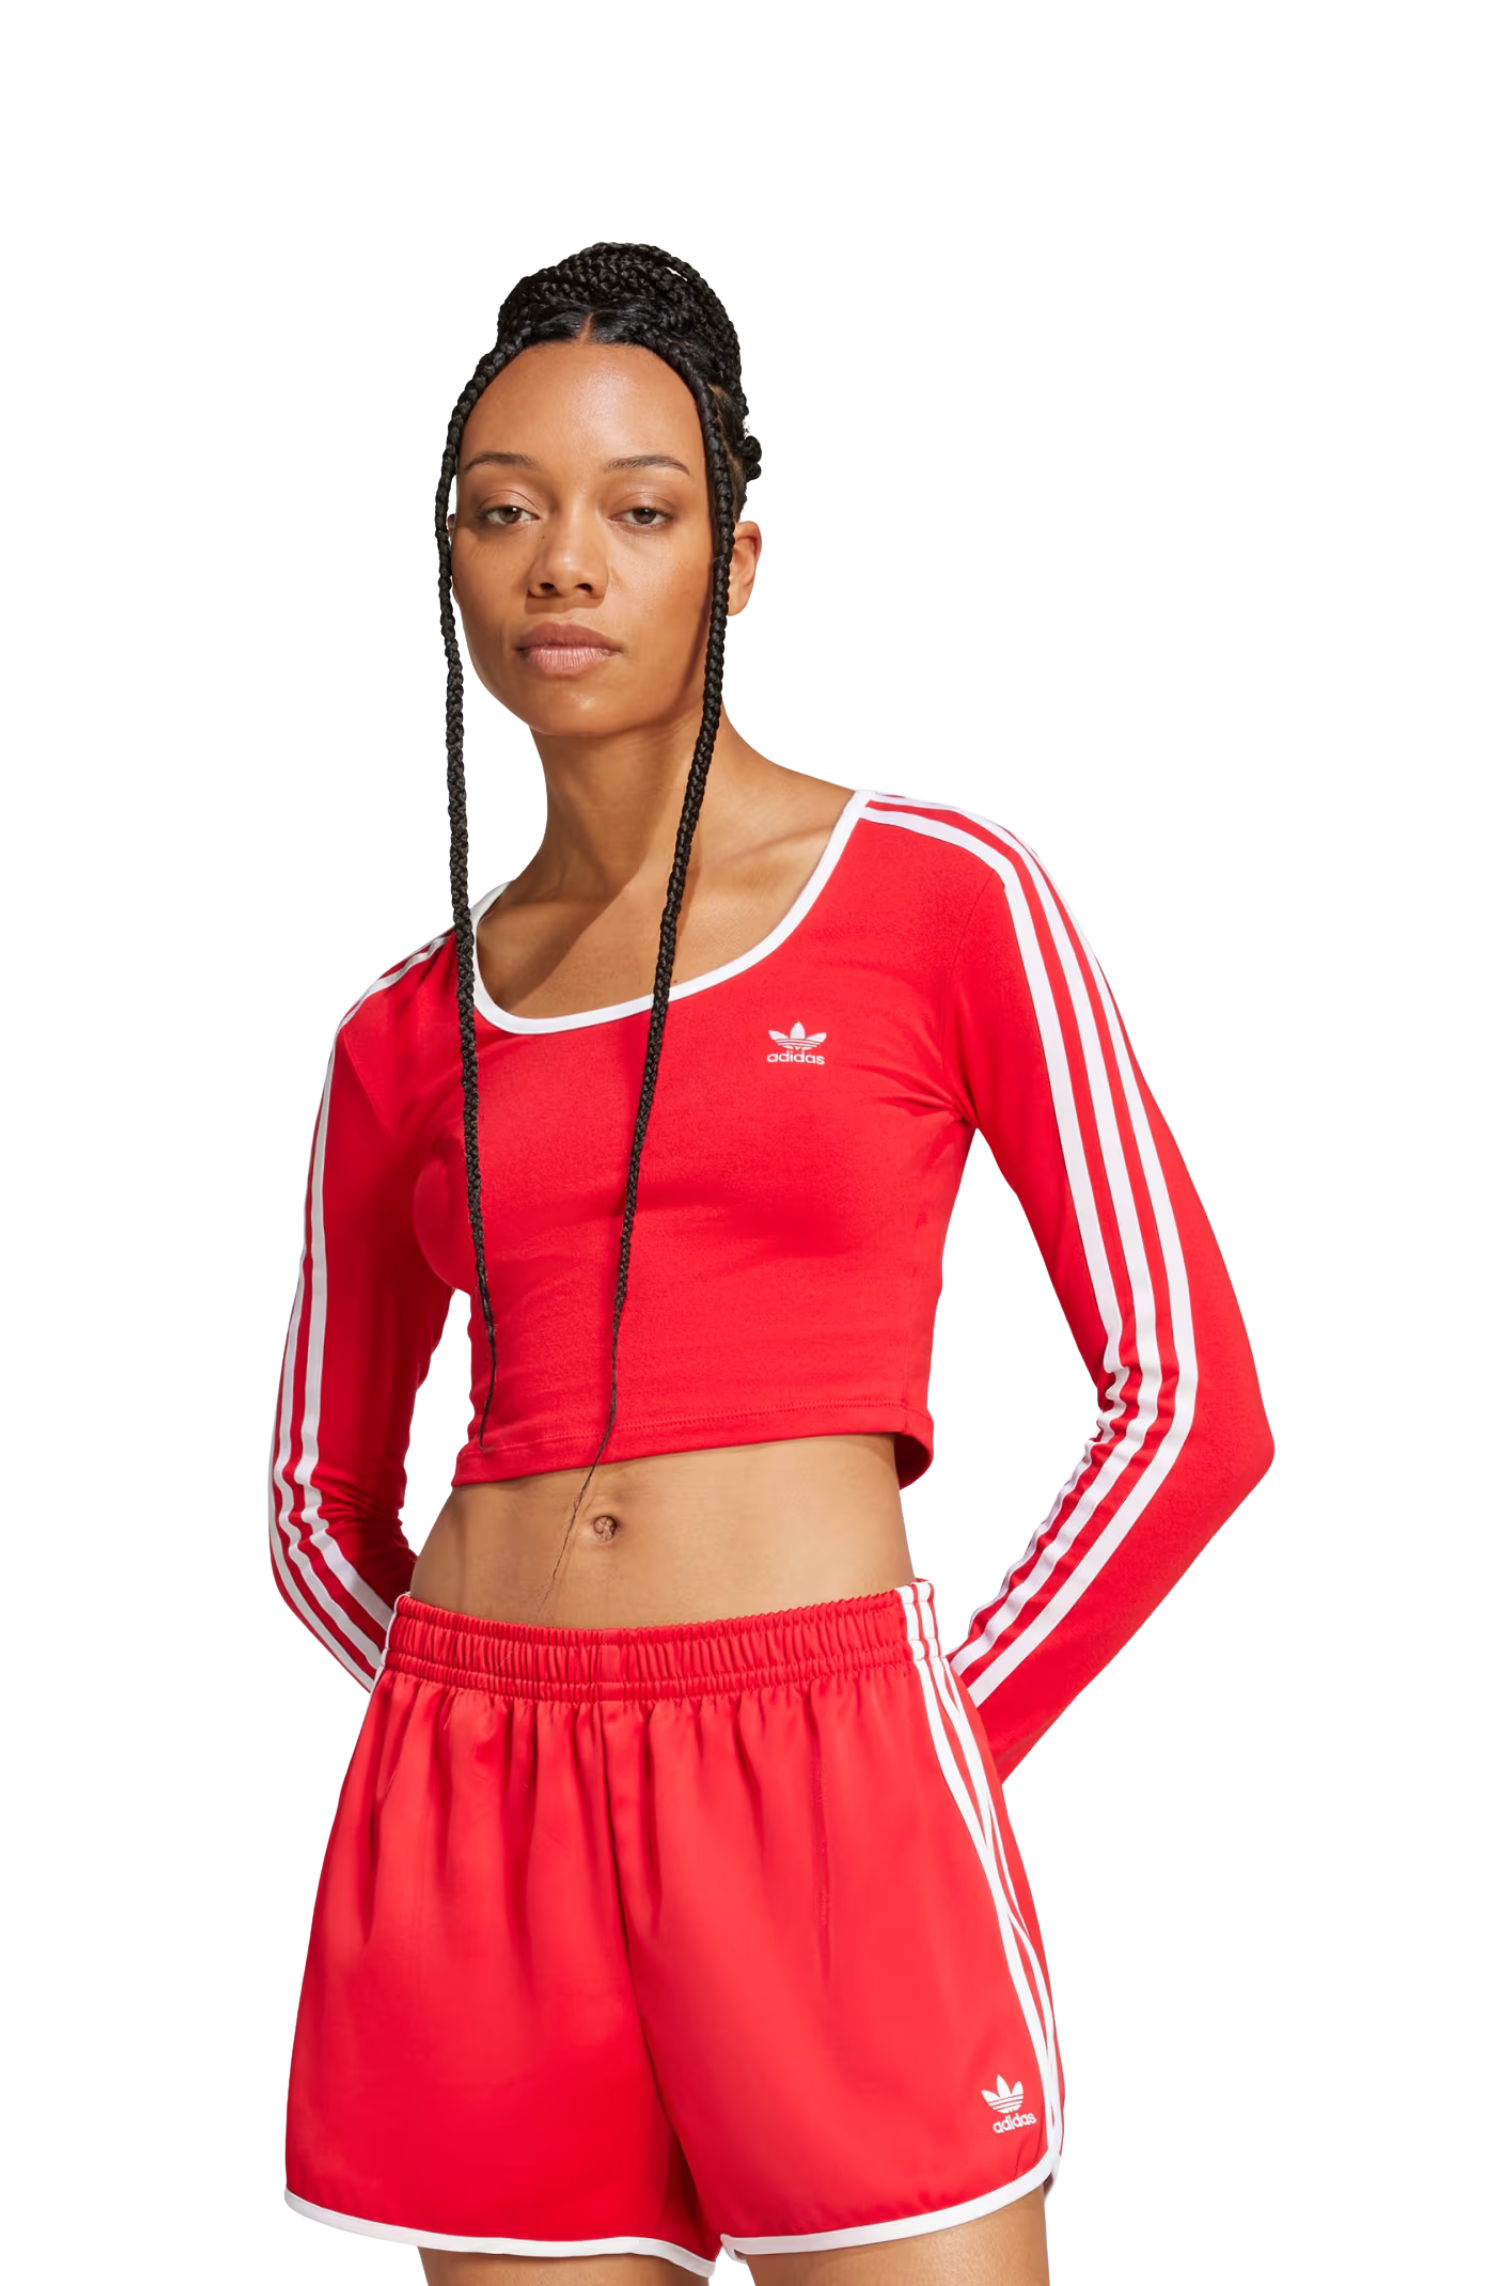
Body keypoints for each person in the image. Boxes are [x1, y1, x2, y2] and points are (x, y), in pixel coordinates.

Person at [270, 243, 1273, 2286]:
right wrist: (476, 1720)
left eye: (639, 511)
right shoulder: (401, 1032)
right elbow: (317, 1496)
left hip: (832, 1783)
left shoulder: (937, 899)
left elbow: (1190, 1400)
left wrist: (920, 1724)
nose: (566, 562)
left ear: (733, 561)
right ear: (450, 557)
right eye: (504, 509)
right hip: (483, 1823)